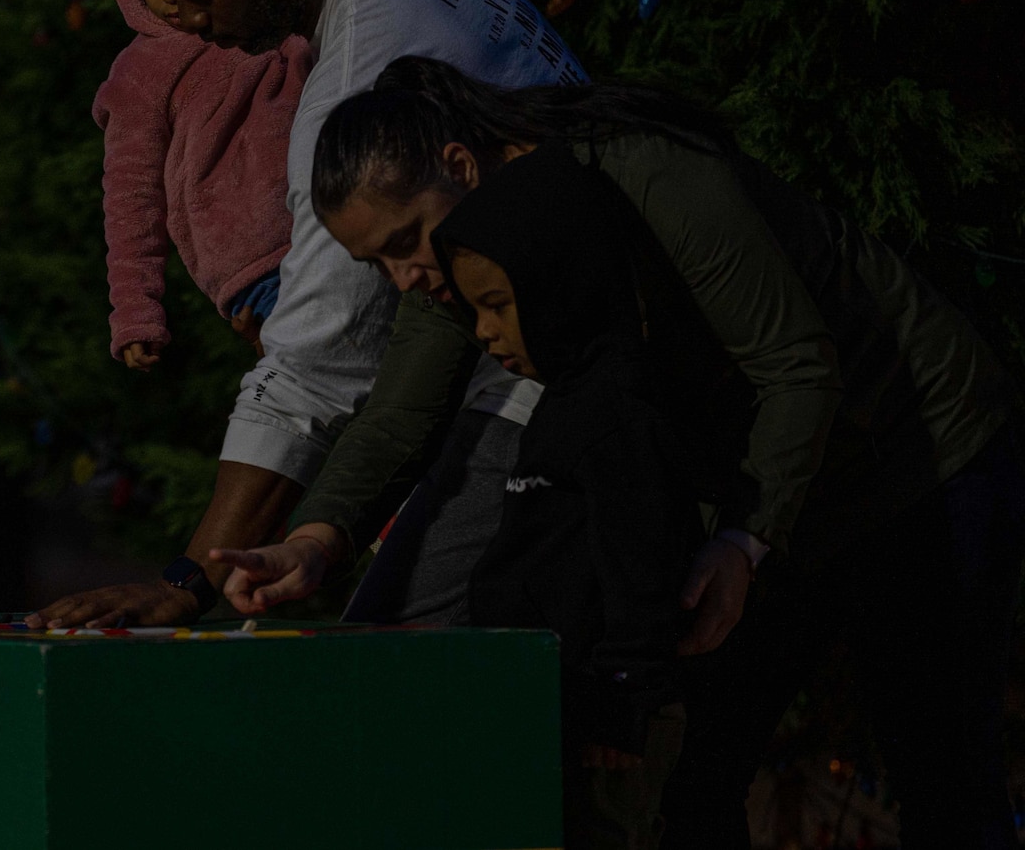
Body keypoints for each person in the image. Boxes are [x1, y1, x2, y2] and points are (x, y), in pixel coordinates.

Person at [216, 55, 1025, 848]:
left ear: (461, 165)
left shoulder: (642, 172)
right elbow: (401, 414)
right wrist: (315, 538)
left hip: (915, 450)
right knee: (692, 780)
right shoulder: (460, 249)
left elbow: (796, 365)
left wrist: (744, 540)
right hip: (765, 494)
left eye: (405, 240)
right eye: (377, 263)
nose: (404, 278)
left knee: (946, 781)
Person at [29, 0, 583, 630]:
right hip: (547, 355)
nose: (186, 17)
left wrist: (188, 579)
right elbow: (396, 367)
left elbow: (318, 365)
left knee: (395, 662)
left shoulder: (360, 81)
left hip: (551, 382)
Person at [433, 145, 702, 848]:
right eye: (474, 310)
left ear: (561, 284)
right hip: (566, 704)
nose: (485, 332)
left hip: (612, 719)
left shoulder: (615, 409)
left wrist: (626, 693)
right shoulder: (564, 399)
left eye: (498, 305)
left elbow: (640, 556)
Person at [94, 0, 310, 368]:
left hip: (337, 221)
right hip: (258, 267)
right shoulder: (140, 74)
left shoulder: (267, 4)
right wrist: (135, 311)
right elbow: (131, 198)